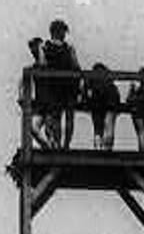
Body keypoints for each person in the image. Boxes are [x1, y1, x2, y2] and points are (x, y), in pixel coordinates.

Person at [41, 19, 81, 149]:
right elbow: (76, 66)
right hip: (69, 87)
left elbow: (43, 66)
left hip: (54, 87)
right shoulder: (69, 48)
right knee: (69, 118)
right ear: (61, 32)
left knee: (57, 118)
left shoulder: (45, 47)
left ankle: (58, 145)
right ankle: (66, 145)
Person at [84, 63, 122, 150]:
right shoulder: (110, 88)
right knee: (102, 129)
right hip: (100, 104)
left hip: (103, 104)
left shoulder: (110, 89)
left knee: (102, 129)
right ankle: (103, 150)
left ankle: (102, 149)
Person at [27, 36, 55, 148]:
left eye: (35, 50)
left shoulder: (49, 64)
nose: (33, 53)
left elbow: (43, 64)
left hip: (51, 103)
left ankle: (51, 148)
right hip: (40, 104)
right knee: (33, 127)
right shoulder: (35, 66)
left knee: (50, 131)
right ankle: (48, 148)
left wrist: (41, 48)